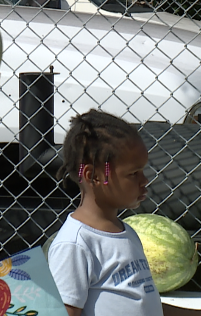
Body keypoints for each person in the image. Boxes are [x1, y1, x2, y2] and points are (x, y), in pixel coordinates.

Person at [47, 109, 198, 316]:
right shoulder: (75, 244)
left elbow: (144, 303)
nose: (144, 181)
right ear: (94, 177)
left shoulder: (127, 232)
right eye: (133, 173)